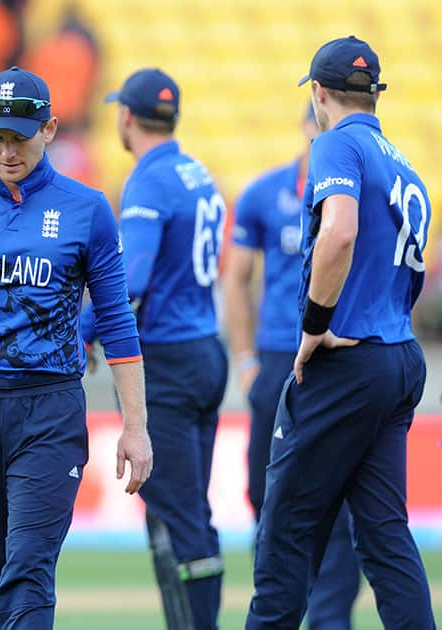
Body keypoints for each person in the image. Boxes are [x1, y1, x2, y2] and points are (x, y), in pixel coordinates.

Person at [0, 66, 152, 630]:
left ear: (50, 129)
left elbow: (116, 322)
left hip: (50, 408)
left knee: (29, 568)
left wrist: (135, 426)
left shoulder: (87, 210)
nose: (7, 150)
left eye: (20, 136)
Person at [247, 36, 435, 629]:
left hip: (347, 359)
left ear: (320, 93)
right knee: (385, 540)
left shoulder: (333, 145)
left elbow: (340, 233)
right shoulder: (403, 162)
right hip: (398, 356)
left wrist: (313, 325)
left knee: (284, 531)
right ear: (374, 95)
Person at [226, 107, 361, 628]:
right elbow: (237, 279)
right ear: (307, 127)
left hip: (336, 352)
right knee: (265, 491)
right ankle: (282, 603)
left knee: (340, 498)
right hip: (279, 357)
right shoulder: (264, 194)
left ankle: (330, 619)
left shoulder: (356, 193)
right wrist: (245, 360)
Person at [105, 68, 228, 630]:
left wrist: (77, 331)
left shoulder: (149, 180)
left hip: (171, 361)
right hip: (206, 347)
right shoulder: (196, 172)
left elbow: (129, 281)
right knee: (182, 508)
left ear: (126, 117)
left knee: (179, 517)